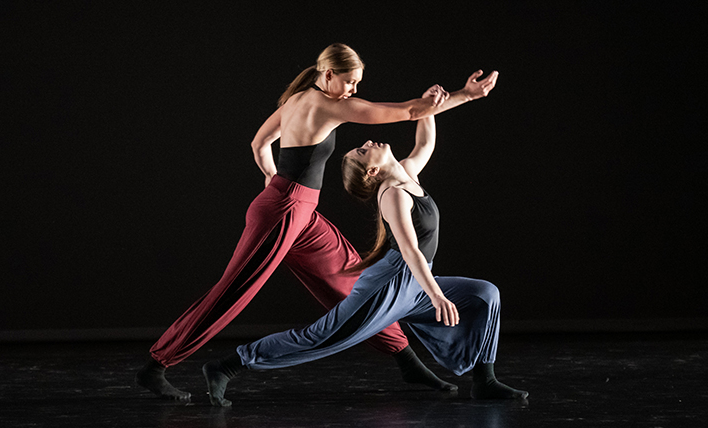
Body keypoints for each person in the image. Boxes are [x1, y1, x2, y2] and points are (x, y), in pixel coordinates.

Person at [136, 43, 500, 401]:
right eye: (350, 82)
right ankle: (157, 366)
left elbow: (259, 143)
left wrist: (273, 179)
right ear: (328, 75)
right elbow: (406, 111)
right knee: (232, 292)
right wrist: (466, 95)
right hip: (284, 211)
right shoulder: (325, 105)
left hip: (298, 210)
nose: (353, 91)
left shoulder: (295, 100)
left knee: (349, 278)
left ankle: (407, 362)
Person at [203, 87, 527, 407]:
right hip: (388, 286)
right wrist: (436, 295)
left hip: (415, 284)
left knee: (485, 294)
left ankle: (485, 381)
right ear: (373, 171)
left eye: (360, 147)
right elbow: (410, 250)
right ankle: (226, 366)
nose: (367, 142)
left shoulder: (408, 173)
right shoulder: (393, 194)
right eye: (362, 150)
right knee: (319, 337)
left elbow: (425, 141)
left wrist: (462, 95)